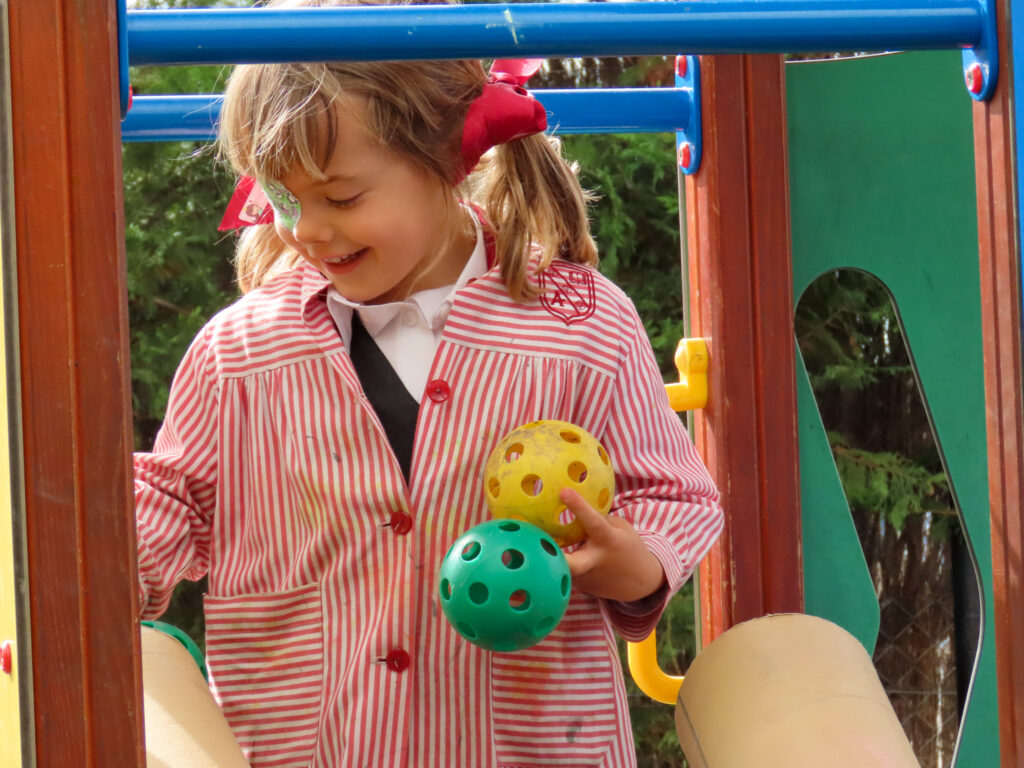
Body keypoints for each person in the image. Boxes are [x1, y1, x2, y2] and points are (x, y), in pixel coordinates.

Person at [133, 1, 723, 765]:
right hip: (306, 744)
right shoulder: (240, 353)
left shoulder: (579, 326)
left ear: (450, 158)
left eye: (341, 197)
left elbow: (670, 493)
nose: (306, 229)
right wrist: (97, 561)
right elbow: (171, 498)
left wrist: (630, 561)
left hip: (525, 742)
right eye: (279, 199)